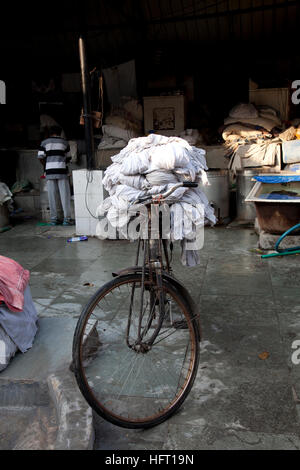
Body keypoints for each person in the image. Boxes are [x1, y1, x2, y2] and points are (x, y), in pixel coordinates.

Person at [38, 125, 74, 226]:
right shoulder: (64, 143)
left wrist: (46, 166)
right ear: (60, 132)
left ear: (50, 133)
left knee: (51, 196)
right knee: (65, 196)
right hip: (62, 171)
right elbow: (68, 158)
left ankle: (54, 219)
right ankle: (67, 219)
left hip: (49, 172)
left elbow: (40, 157)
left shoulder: (44, 143)